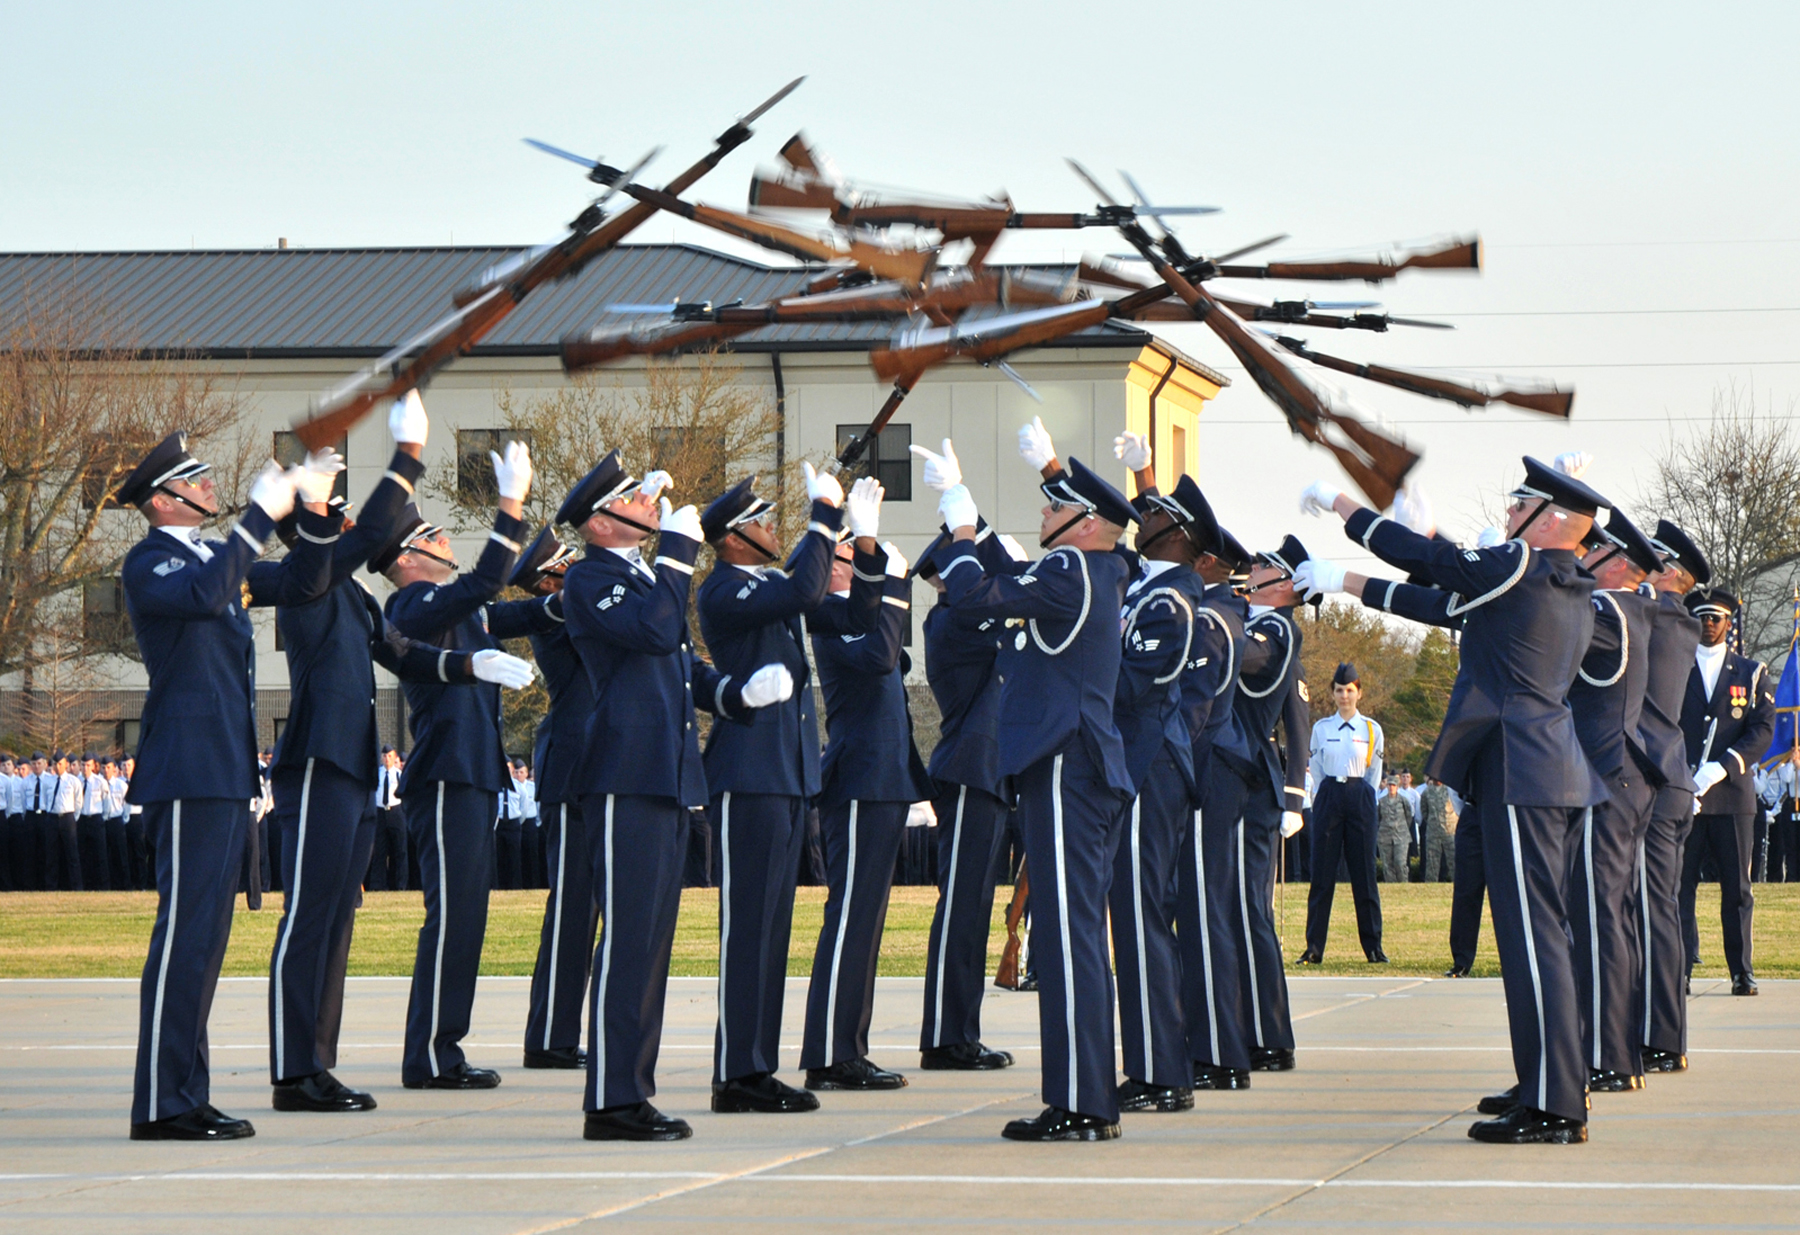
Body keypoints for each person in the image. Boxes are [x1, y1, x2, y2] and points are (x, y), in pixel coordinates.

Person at [1299, 455, 1612, 1145]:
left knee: (1533, 942)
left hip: (1522, 768)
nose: (1507, 513)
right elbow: (1439, 598)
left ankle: (1557, 1105)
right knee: (1539, 939)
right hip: (1543, 768)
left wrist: (1344, 505)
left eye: (1519, 502)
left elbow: (1430, 563)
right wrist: (1354, 579)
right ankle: (1546, 1084)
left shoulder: (1523, 566)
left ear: (1548, 518)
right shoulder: (1563, 582)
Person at [558, 450, 794, 1140]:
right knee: (628, 942)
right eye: (631, 498)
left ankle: (632, 1088)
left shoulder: (638, 577)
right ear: (601, 523)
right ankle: (610, 1099)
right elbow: (657, 627)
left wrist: (735, 695)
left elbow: (679, 665)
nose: (646, 503)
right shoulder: (590, 579)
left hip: (665, 774)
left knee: (652, 943)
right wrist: (680, 552)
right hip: (622, 777)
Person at [921, 432, 1135, 1143]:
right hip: (1079, 764)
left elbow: (982, 593)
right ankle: (1082, 1095)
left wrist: (958, 526)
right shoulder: (1101, 570)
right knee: (1071, 937)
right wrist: (985, 504)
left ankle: (1080, 1103)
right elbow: (1017, 564)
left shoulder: (1071, 569)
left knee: (1069, 940)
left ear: (1086, 524)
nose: (1041, 517)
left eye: (1055, 508)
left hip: (1064, 765)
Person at [116, 430, 301, 1140]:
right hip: (187, 769)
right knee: (184, 936)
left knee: (207, 941)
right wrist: (257, 516)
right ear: (164, 499)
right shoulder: (152, 561)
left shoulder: (216, 561)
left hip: (221, 768)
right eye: (195, 479)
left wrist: (308, 510)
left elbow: (312, 575)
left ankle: (186, 1091)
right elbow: (206, 590)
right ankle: (163, 1100)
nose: (210, 485)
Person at [380, 439, 562, 1091]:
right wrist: (510, 505)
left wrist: (576, 588)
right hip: (446, 778)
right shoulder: (413, 606)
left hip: (472, 777)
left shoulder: (458, 608)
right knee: (452, 916)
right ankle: (429, 1054)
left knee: (468, 918)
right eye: (432, 534)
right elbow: (487, 584)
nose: (444, 540)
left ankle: (444, 1048)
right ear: (408, 557)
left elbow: (524, 608)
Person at [697, 466, 844, 1115]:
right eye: (762, 520)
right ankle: (736, 1070)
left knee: (773, 931)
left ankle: (757, 1064)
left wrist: (855, 538)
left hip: (784, 775)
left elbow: (839, 599)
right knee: (747, 930)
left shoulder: (765, 584)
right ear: (733, 537)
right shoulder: (724, 589)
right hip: (748, 777)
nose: (773, 528)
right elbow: (808, 585)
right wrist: (823, 515)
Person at [801, 485, 932, 1094]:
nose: (867, 568)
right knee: (851, 916)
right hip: (855, 782)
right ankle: (832, 1053)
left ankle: (846, 1046)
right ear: (831, 573)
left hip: (880, 782)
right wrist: (897, 586)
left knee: (866, 920)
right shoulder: (830, 622)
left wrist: (883, 583)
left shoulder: (857, 613)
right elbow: (883, 654)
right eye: (855, 560)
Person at [912, 520, 1024, 1075]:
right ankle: (946, 1037)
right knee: (961, 907)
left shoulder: (966, 616)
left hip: (986, 774)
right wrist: (983, 544)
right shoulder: (952, 621)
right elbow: (1000, 591)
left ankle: (957, 1033)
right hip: (971, 774)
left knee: (973, 907)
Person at [1564, 508, 1662, 1092]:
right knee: (1612, 921)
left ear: (1617, 563)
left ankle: (1609, 1057)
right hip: (1620, 777)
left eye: (1590, 550)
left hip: (1606, 779)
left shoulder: (1607, 611)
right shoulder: (1631, 607)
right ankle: (1614, 1052)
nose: (1579, 557)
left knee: (1599, 921)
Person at [1231, 535, 1311, 1074]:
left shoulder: (1272, 630)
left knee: (1247, 912)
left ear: (1280, 584)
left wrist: (1294, 796)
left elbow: (1296, 727)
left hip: (1250, 789)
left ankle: (1269, 1033)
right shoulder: (1254, 625)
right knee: (1236, 913)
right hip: (1241, 787)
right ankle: (1254, 1027)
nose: (1250, 570)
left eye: (1261, 566)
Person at [512, 524, 590, 1072]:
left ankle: (556, 1033)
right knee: (571, 910)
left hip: (589, 769)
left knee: (582, 912)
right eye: (569, 563)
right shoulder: (559, 615)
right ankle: (549, 1038)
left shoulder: (571, 607)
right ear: (548, 579)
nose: (578, 568)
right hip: (572, 772)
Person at [1679, 588, 1775, 996]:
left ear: (1728, 623)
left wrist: (1722, 767)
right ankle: (1679, 969)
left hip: (1732, 796)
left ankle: (1741, 970)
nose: (1708, 624)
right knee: (1677, 888)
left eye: (1715, 618)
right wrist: (1681, 774)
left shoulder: (1751, 672)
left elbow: (1763, 730)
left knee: (1737, 888)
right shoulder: (1674, 666)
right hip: (1683, 794)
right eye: (1701, 616)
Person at [1636, 519, 1707, 1071]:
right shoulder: (1668, 618)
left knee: (1654, 910)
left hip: (1656, 784)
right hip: (1668, 780)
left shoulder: (1663, 616)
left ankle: (1663, 1036)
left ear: (1675, 575)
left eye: (1653, 560)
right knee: (1653, 909)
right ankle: (1659, 1032)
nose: (1642, 565)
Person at [1300, 664, 1385, 962]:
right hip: (1329, 798)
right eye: (1339, 690)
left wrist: (1364, 796)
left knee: (1364, 875)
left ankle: (1373, 947)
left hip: (1360, 796)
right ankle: (1314, 948)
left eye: (1350, 690)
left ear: (1359, 693)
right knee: (1322, 875)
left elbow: (1374, 771)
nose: (1344, 696)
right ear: (1333, 693)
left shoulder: (1372, 729)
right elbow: (1318, 771)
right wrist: (1327, 796)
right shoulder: (1321, 728)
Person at [368, 748, 406, 891]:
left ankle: (401, 885)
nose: (387, 759)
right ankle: (378, 885)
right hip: (380, 812)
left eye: (390, 756)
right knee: (379, 850)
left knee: (400, 850)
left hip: (395, 811)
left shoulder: (399, 774)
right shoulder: (377, 774)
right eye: (384, 756)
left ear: (394, 757)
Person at [1418, 778, 1459, 884]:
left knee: (1453, 860)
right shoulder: (1427, 792)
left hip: (1450, 831)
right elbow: (1424, 811)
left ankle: (1457, 883)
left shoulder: (1450, 790)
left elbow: (1458, 808)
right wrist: (1433, 823)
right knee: (1432, 861)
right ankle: (1431, 885)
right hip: (1433, 832)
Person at [1377, 777, 1412, 883]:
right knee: (1387, 865)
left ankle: (1403, 885)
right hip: (1385, 837)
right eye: (1389, 785)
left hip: (1401, 837)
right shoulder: (1381, 802)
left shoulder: (1403, 800)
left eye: (1393, 785)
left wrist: (1402, 828)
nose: (1391, 787)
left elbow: (1409, 816)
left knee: (1400, 863)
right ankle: (1390, 887)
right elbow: (1378, 818)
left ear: (1397, 787)